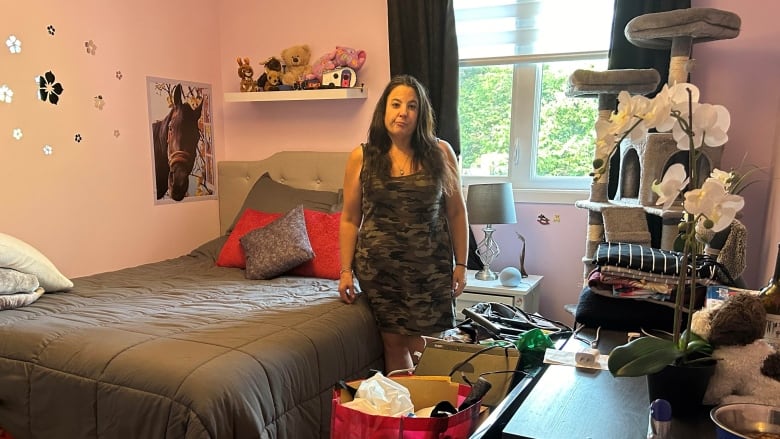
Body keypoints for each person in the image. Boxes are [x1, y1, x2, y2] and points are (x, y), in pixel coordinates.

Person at [338, 75, 469, 373]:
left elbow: (457, 213)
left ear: (420, 114)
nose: (403, 112)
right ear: (383, 110)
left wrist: (461, 263)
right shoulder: (361, 157)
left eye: (412, 106)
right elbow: (349, 219)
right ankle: (405, 416)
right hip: (381, 271)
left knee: (428, 349)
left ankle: (433, 415)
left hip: (430, 270)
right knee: (394, 346)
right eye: (396, 104)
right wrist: (345, 271)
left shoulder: (442, 153)